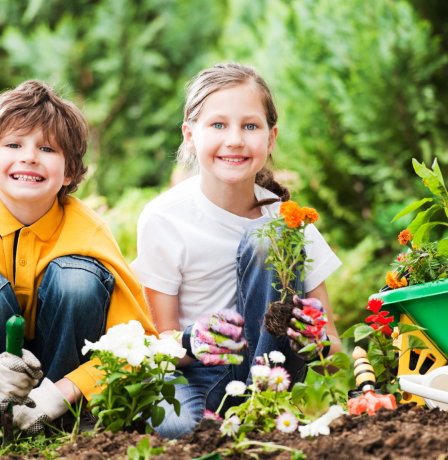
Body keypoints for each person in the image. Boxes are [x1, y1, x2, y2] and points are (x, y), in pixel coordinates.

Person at [0, 81, 156, 446]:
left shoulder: (88, 232)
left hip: (63, 393)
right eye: (13, 145)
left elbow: (132, 341)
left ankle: (62, 423)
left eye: (46, 148)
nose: (29, 157)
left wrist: (59, 393)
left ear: (70, 171)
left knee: (77, 279)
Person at [130, 62, 343, 439]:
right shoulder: (164, 218)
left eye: (250, 126)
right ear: (190, 135)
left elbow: (332, 356)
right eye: (217, 125)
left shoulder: (289, 220)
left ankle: (260, 410)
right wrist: (193, 340)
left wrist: (315, 341)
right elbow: (158, 346)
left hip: (270, 372)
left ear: (271, 137)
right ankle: (237, 423)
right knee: (176, 427)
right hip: (197, 373)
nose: (235, 140)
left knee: (271, 236)